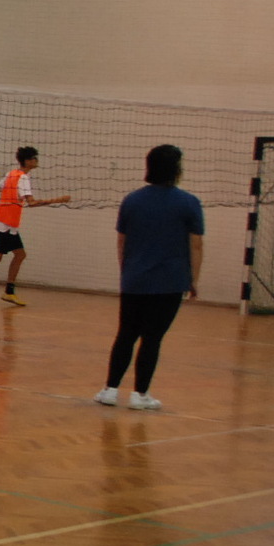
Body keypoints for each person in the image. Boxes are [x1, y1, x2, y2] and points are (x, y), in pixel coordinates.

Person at [97, 145, 203, 411]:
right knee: (152, 338)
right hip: (170, 282)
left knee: (126, 334)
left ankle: (110, 390)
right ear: (176, 169)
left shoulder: (131, 200)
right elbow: (196, 245)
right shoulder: (189, 202)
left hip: (134, 279)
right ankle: (140, 394)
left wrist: (128, 273)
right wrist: (193, 279)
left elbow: (122, 242)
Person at [0, 146, 71, 306]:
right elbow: (31, 203)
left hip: (7, 222)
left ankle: (9, 292)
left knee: (20, 255)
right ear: (27, 161)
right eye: (34, 158)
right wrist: (58, 200)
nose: (37, 161)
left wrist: (8, 192)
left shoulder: (11, 174)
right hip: (6, 223)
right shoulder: (24, 178)